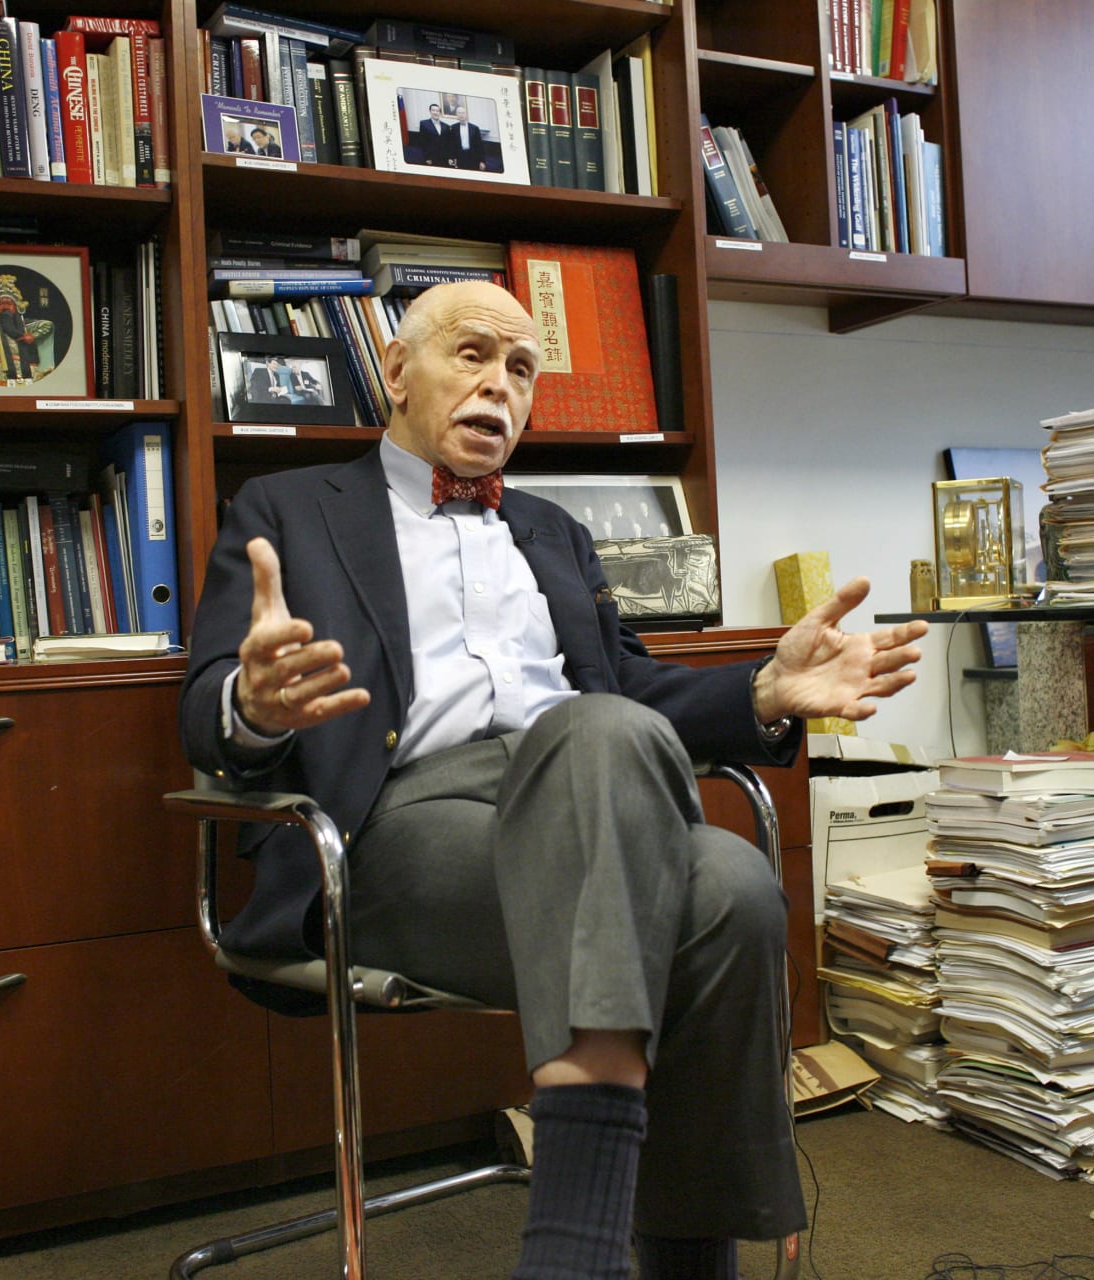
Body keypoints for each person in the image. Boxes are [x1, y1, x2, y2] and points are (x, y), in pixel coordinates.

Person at [180, 281, 926, 1280]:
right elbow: (205, 708)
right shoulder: (288, 507)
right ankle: (584, 1233)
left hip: (590, 790)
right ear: (396, 372)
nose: (501, 384)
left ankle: (680, 1257)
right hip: (402, 826)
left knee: (735, 885)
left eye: (523, 368)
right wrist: (258, 703)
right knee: (636, 781)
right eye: (473, 354)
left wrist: (765, 688)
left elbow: (631, 687)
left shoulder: (553, 532)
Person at [446, 102, 486, 170]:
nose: (461, 115)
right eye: (459, 113)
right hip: (460, 157)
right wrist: (451, 157)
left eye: (463, 113)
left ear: (466, 114)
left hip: (473, 157)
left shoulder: (475, 128)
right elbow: (451, 144)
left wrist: (482, 161)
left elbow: (480, 146)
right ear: (457, 115)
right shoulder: (453, 127)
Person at [415, 100, 452, 166]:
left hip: (444, 159)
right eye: (433, 110)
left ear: (440, 113)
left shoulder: (446, 126)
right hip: (431, 159)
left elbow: (448, 144)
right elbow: (422, 143)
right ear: (430, 111)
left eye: (437, 111)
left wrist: (450, 157)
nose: (435, 112)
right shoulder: (424, 124)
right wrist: (426, 158)